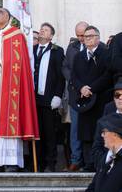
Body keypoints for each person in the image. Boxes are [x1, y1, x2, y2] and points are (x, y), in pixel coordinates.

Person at [0, 8, 39, 172]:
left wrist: (1, 62)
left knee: (8, 120)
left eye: (0, 13)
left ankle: (11, 161)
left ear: (9, 17)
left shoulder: (16, 35)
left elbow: (20, 63)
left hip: (9, 86)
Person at [71, 25, 112, 172]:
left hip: (101, 100)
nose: (86, 39)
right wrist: (82, 88)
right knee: (85, 133)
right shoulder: (79, 56)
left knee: (99, 132)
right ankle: (89, 163)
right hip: (84, 100)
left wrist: (91, 89)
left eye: (90, 36)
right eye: (84, 37)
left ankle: (101, 163)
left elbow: (107, 75)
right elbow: (73, 76)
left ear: (97, 38)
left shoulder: (106, 54)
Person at [33, 23, 65, 172]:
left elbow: (61, 76)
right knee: (37, 133)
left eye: (45, 30)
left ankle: (51, 163)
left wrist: (58, 95)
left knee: (50, 132)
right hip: (34, 99)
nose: (41, 31)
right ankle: (38, 163)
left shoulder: (57, 51)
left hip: (49, 98)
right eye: (41, 29)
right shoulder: (32, 50)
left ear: (51, 36)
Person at [62, 21, 89, 171]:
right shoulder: (72, 48)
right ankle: (75, 160)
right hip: (75, 94)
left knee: (90, 128)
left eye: (83, 35)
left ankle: (89, 161)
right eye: (78, 35)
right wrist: (74, 81)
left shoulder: (101, 47)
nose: (80, 38)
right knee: (75, 129)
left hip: (91, 94)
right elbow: (65, 67)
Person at [91, 77, 122, 170]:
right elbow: (96, 149)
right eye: (117, 95)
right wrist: (108, 162)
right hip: (108, 168)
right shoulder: (104, 121)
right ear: (114, 98)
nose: (120, 98)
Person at [86, 113, 122, 192]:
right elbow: (93, 187)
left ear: (115, 134)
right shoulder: (106, 157)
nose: (102, 135)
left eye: (104, 132)